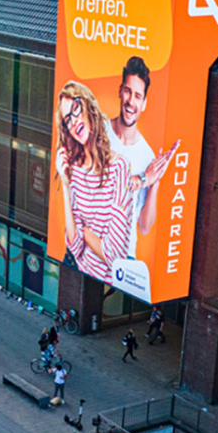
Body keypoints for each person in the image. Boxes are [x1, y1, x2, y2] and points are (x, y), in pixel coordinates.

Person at [53, 82, 132, 286]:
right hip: (79, 273)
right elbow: (74, 246)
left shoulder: (119, 168)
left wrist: (85, 230)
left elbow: (115, 256)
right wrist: (65, 182)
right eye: (67, 120)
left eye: (76, 108)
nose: (73, 121)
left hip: (111, 284)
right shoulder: (75, 171)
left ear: (88, 106)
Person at [107, 57, 181, 260]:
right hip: (92, 248)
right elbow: (100, 188)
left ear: (144, 103)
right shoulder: (99, 134)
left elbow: (144, 227)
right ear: (120, 91)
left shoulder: (147, 156)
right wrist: (143, 180)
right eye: (128, 92)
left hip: (125, 258)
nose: (131, 101)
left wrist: (155, 182)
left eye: (138, 96)